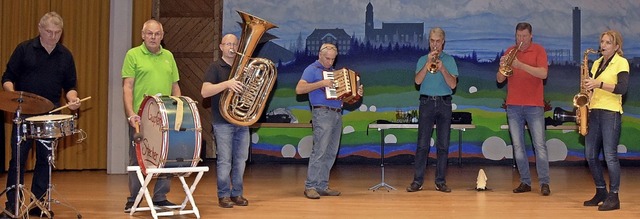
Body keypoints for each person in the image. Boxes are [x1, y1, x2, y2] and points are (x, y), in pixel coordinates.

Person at [1, 12, 81, 217]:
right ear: (39, 28)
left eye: (57, 32)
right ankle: (13, 205)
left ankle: (38, 204)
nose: (53, 36)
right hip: (24, 113)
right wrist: (13, 97)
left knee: (45, 160)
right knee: (18, 160)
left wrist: (73, 100)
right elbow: (8, 77)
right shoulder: (24, 49)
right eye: (49, 32)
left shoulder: (65, 55)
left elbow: (70, 86)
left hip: (50, 114)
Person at [122, 19, 180, 213]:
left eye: (157, 34)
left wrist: (177, 111)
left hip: (165, 118)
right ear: (142, 35)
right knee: (138, 158)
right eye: (149, 33)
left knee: (166, 157)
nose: (153, 37)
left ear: (162, 36)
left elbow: (175, 87)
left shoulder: (169, 56)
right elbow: (127, 87)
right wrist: (130, 114)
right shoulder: (133, 55)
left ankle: (160, 197)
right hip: (141, 118)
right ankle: (134, 199)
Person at [296, 43, 361, 199]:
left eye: (333, 59)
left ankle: (322, 185)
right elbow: (299, 89)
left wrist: (356, 94)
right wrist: (321, 83)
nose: (330, 62)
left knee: (331, 152)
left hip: (337, 113)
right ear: (320, 55)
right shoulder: (312, 69)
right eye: (327, 58)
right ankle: (310, 186)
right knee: (320, 150)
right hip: (322, 113)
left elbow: (346, 99)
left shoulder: (334, 73)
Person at [496, 22, 550, 196]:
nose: (521, 40)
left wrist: (521, 66)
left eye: (524, 36)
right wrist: (502, 68)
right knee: (518, 146)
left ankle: (544, 183)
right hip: (513, 106)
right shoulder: (510, 52)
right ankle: (525, 182)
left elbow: (543, 74)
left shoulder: (539, 50)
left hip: (534, 106)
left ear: (531, 35)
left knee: (539, 145)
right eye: (518, 36)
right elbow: (499, 80)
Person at [406, 27, 458, 193]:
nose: (435, 45)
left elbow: (453, 84)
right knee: (422, 144)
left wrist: (442, 68)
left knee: (443, 145)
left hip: (444, 103)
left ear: (443, 42)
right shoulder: (422, 59)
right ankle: (417, 181)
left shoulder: (449, 60)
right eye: (432, 41)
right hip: (426, 102)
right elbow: (417, 81)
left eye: (438, 41)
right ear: (429, 42)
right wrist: (427, 64)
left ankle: (440, 181)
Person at [200, 34, 250, 208]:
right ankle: (223, 195)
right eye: (228, 43)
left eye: (235, 44)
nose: (232, 47)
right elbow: (205, 92)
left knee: (241, 159)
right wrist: (227, 84)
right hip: (222, 121)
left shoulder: (243, 68)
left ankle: (237, 193)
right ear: (221, 47)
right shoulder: (215, 67)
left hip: (242, 121)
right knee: (225, 160)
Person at [582, 30, 629, 211]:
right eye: (602, 41)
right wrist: (587, 90)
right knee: (590, 155)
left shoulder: (621, 62)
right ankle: (601, 190)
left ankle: (614, 196)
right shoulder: (597, 63)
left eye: (608, 42)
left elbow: (622, 88)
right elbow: (591, 88)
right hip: (594, 110)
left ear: (616, 46)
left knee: (610, 155)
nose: (603, 45)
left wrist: (598, 84)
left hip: (611, 112)